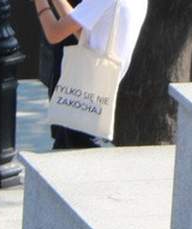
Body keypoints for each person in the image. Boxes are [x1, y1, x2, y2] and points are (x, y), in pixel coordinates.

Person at [29, 0, 145, 151]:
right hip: (94, 100)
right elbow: (84, 35)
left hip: (81, 100)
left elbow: (54, 33)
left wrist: (40, 3)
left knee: (75, 163)